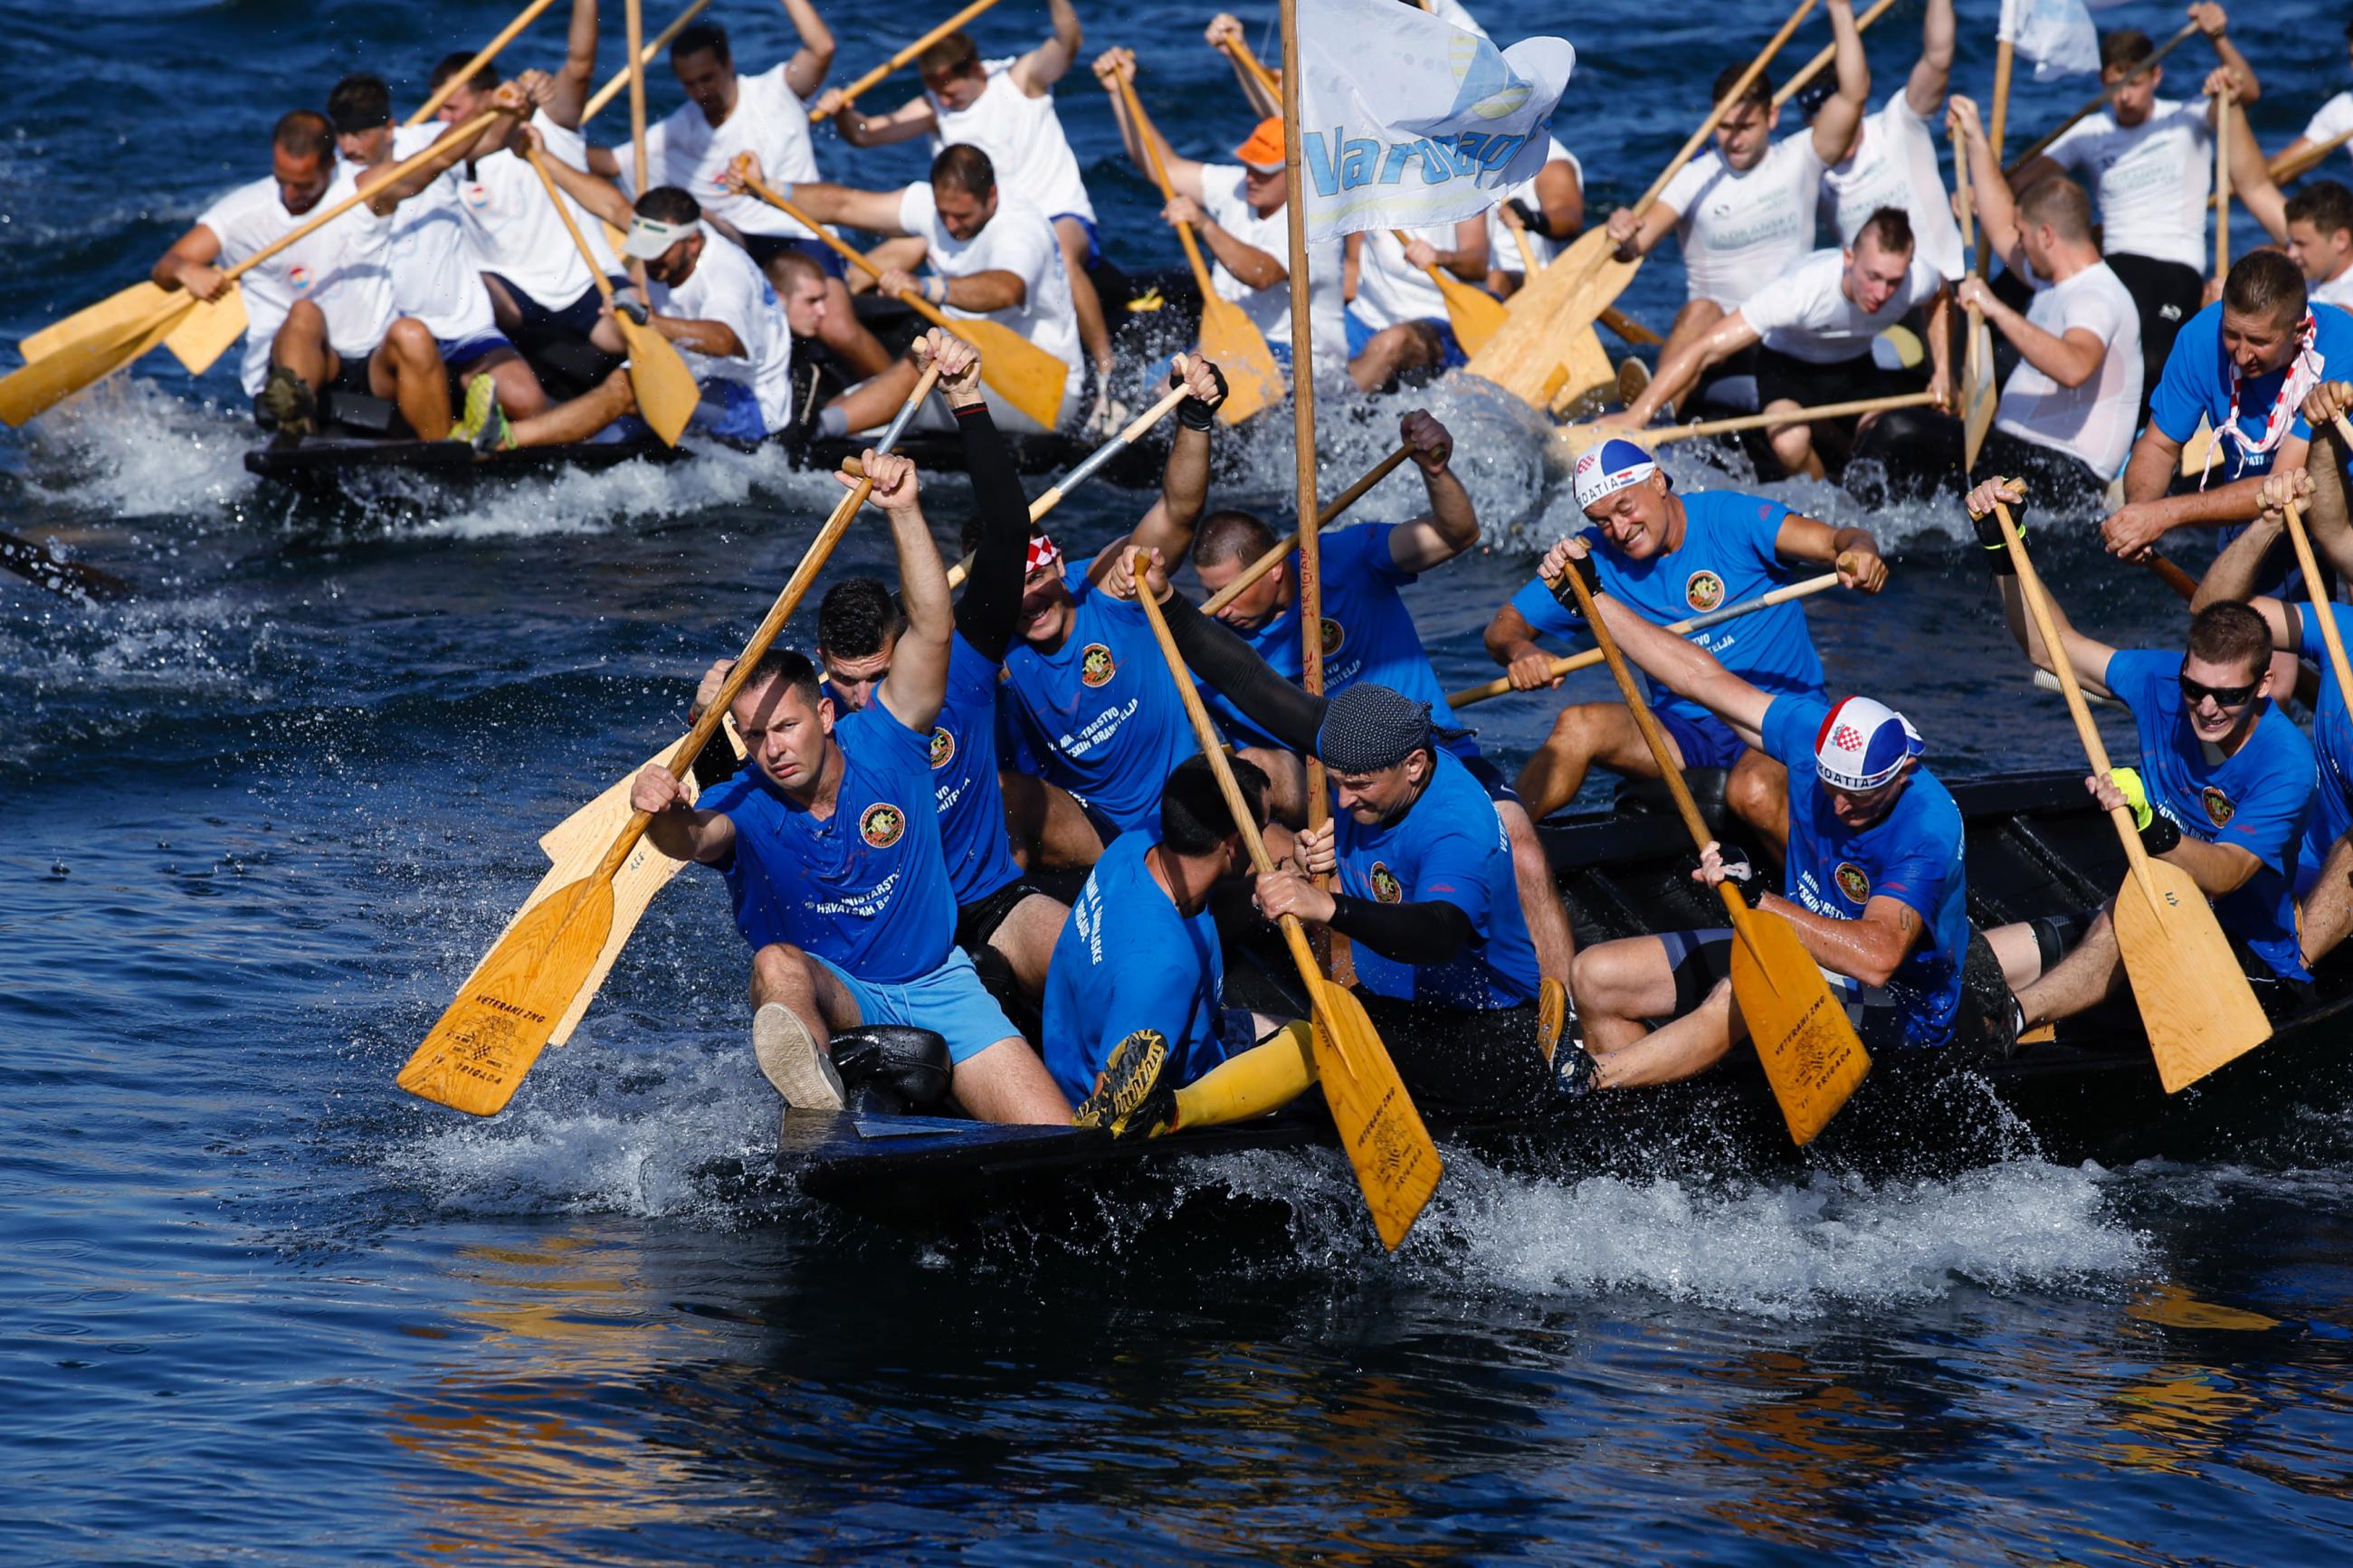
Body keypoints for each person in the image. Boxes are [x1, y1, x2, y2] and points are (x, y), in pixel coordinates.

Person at [629, 447, 1072, 1125]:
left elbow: (931, 624)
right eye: (754, 736)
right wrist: (658, 806)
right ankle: (819, 1109)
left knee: (1055, 1138)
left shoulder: (891, 737)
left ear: (826, 711)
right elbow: (691, 837)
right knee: (778, 966)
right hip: (843, 996)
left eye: (785, 727)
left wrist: (903, 511)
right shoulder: (741, 800)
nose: (772, 750)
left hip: (940, 984)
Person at [1110, 548, 1579, 1117]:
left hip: (1487, 1032)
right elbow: (1245, 678)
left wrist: (1325, 907)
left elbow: (1440, 933)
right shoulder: (1357, 744)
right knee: (1323, 1028)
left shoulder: (1456, 827)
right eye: (1337, 783)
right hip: (1404, 999)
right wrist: (1166, 600)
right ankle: (1169, 1104)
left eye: (1358, 787)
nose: (1345, 798)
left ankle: (1171, 1115)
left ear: (1413, 764)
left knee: (1320, 1045)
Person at [1551, 538, 1975, 1087]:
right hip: (1798, 954)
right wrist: (1594, 599)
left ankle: (1588, 1078)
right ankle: (1648, 1149)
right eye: (1829, 787)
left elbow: (1877, 958)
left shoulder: (1926, 825)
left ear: (1899, 775)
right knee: (1596, 975)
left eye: (1860, 795)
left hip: (1904, 1009)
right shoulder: (1810, 735)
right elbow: (1700, 679)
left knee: (1746, 985)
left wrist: (1760, 900)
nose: (1840, 806)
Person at [1186, 411, 1580, 988]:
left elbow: (1455, 534)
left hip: (1425, 757)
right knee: (1251, 775)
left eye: (1228, 591)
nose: (1215, 609)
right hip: (1316, 780)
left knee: (1518, 847)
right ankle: (1338, 986)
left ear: (1273, 573)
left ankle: (1564, 1014)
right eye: (1206, 594)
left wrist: (1437, 470)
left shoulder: (1338, 560)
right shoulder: (1213, 648)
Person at [1965, 476, 2317, 1032]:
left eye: (2228, 696)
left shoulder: (2288, 763)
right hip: (2146, 914)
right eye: (2194, 688)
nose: (2205, 707)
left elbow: (2225, 874)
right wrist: (2006, 552)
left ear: (2264, 686)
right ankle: (1917, 996)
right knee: (1983, 957)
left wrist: (2154, 828)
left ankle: (2010, 1022)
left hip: (2248, 966)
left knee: (2132, 906)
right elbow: (2049, 646)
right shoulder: (2160, 681)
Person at [807, 333, 1071, 1031]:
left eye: (879, 677)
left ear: (905, 649)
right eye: (846, 682)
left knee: (1087, 956)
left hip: (992, 904)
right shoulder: (805, 728)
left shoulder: (963, 663)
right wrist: (704, 710)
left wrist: (966, 400)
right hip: (896, 941)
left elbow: (1009, 533)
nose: (867, 699)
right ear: (822, 667)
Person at [1482, 438, 1887, 844]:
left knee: (1754, 791)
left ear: (1658, 482)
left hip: (1775, 714)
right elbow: (1503, 627)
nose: (1619, 530)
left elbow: (1840, 540)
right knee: (1577, 726)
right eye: (1603, 520)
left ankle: (1809, 898)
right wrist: (1521, 651)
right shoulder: (1594, 559)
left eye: (1625, 508)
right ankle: (1495, 846)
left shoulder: (1730, 517)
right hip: (1687, 731)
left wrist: (1861, 552)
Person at [814, 0, 1120, 431]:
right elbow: (866, 136)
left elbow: (1068, 41)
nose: (940, 100)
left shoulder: (1020, 80)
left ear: (975, 70)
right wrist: (844, 114)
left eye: (948, 90)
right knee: (893, 253)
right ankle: (829, 325)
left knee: (1062, 256)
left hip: (1052, 216)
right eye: (932, 89)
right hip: (972, 222)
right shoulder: (934, 107)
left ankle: (1105, 377)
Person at [151, 100, 524, 442]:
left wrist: (486, 108)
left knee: (412, 333)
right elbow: (166, 265)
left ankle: (442, 455)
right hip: (304, 362)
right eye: (283, 181)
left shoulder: (362, 191)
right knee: (304, 312)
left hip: (371, 365)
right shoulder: (242, 212)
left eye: (303, 184)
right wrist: (186, 270)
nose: (291, 194)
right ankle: (295, 419)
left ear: (331, 164)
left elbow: (435, 161)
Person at [1852, 101, 2140, 513]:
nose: (2014, 243)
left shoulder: (2096, 295)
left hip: (2061, 475)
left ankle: (1856, 530)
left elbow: (2076, 365)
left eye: (2022, 236)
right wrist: (1974, 138)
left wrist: (1996, 308)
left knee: (1896, 429)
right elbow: (2000, 217)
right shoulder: (2052, 280)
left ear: (2045, 236)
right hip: (2015, 455)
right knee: (1885, 425)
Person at [993, 357, 1227, 845]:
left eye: (1036, 577)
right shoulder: (988, 650)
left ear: (1058, 565)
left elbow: (1179, 511)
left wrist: (1197, 419)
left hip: (1188, 800)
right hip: (1098, 837)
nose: (1030, 601)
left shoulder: (1110, 580)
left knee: (1270, 769)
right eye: (1008, 593)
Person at [586, 14, 892, 386]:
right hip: (732, 245)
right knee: (646, 270)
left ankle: (899, 401)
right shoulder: (678, 130)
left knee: (838, 328)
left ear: (728, 66)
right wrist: (532, 135)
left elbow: (823, 48)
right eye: (690, 84)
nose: (701, 92)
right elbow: (606, 162)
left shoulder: (775, 91)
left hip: (798, 233)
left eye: (708, 78)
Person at [1604, 0, 1868, 415]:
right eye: (1723, 127)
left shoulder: (1802, 158)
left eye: (1745, 126)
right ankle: (1653, 425)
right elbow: (1635, 245)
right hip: (1716, 342)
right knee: (1702, 309)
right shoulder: (1694, 175)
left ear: (1773, 116)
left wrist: (1838, 9)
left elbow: (1854, 95)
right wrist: (1620, 233)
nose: (1733, 139)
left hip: (1785, 337)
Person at [2009, 8, 2260, 408]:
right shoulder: (2089, 132)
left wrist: (2219, 41)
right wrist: (1977, 189)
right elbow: (2019, 181)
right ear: (2102, 82)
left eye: (2135, 84)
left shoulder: (2188, 116)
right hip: (2117, 265)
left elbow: (2247, 94)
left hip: (2176, 267)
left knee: (2157, 362)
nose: (2124, 97)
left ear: (2156, 77)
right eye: (2115, 86)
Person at [748, 145, 1082, 435]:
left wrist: (925, 286)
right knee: (915, 358)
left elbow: (1006, 290)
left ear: (991, 195)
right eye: (944, 214)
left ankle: (813, 434)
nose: (951, 225)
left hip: (1043, 391)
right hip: (971, 360)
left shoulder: (1018, 231)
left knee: (921, 362)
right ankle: (825, 424)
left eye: (962, 216)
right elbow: (845, 206)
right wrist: (769, 189)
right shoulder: (936, 204)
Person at [1600, 206, 1951, 480]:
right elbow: (1705, 348)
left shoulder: (1915, 278)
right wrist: (1636, 416)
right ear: (1848, 258)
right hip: (1787, 369)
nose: (1881, 293)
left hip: (1855, 367)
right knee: (1790, 443)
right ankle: (1831, 509)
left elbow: (1941, 298)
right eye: (1872, 277)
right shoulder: (1800, 291)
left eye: (1892, 282)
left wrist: (1944, 372)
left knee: (1886, 437)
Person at [474, 152, 793, 450]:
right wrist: (542, 157)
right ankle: (556, 446)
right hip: (693, 369)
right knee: (612, 413)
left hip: (752, 403)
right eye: (645, 249)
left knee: (625, 387)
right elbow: (612, 207)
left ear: (693, 243)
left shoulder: (724, 277)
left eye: (659, 253)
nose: (651, 262)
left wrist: (649, 319)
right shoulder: (671, 235)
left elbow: (724, 340)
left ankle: (505, 440)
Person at [1041, 752, 1281, 1123]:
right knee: (1317, 1053)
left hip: (1071, 1046)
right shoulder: (1163, 969)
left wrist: (1289, 875)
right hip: (1184, 1093)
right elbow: (1108, 1114)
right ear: (1233, 842)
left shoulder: (1138, 842)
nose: (1264, 843)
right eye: (1261, 831)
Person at [2100, 250, 2353, 586]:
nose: (2243, 354)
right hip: (2256, 517)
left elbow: (2282, 482)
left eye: (2259, 342)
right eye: (2232, 335)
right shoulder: (2200, 337)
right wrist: (2139, 514)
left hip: (2339, 514)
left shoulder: (2342, 347)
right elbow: (2159, 446)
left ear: (2298, 331)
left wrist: (2164, 515)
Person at [2189, 463, 2353, 973]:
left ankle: (2282, 980)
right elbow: (2213, 611)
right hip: (2296, 864)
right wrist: (2267, 525)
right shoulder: (2339, 630)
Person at [1093, 48, 1345, 368]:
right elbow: (1164, 170)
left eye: (1265, 172)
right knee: (1149, 385)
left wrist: (1204, 225)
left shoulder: (1316, 220)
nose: (1252, 178)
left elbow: (1263, 274)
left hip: (1301, 358)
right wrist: (1120, 95)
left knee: (1171, 392)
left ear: (1294, 171)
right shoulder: (1239, 185)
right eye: (1250, 165)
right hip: (1233, 342)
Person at [324, 72, 547, 428]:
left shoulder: (431, 140)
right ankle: (451, 430)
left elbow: (490, 138)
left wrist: (519, 102)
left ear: (389, 130)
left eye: (360, 134)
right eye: (342, 134)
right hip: (392, 338)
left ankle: (476, 421)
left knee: (528, 401)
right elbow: (438, 160)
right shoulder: (335, 177)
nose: (349, 147)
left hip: (460, 324)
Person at [429, 1, 629, 393]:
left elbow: (581, 62)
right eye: (439, 110)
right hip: (512, 297)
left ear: (488, 95)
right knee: (462, 290)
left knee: (626, 330)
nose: (443, 120)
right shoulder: (447, 154)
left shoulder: (551, 121)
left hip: (585, 283)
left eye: (451, 108)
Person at [1806, 0, 1961, 283]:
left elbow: (1938, 59)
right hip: (1877, 304)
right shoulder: (1813, 173)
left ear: (1858, 107)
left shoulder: (1899, 125)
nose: (1836, 129)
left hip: (1949, 285)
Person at [1340, 217, 1491, 394]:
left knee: (1393, 341)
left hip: (1443, 323)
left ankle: (1330, 413)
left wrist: (1441, 257)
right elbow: (1353, 262)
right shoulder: (1367, 190)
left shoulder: (1462, 189)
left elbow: (1478, 265)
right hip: (1364, 315)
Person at [1487, 132, 1585, 298]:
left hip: (1529, 282)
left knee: (1495, 281)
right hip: (1465, 281)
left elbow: (1570, 217)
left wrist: (1532, 219)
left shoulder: (1550, 159)